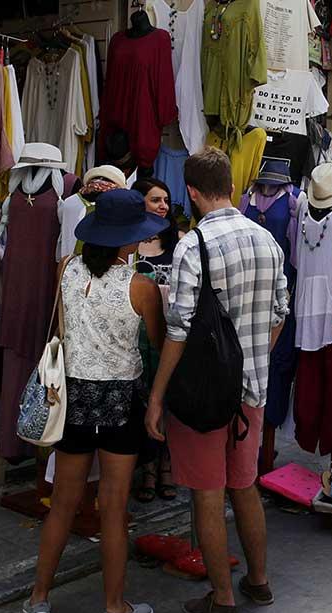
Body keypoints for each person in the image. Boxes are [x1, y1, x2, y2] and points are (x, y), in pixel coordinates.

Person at [145, 147, 289, 613]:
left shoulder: (193, 245)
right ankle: (260, 580)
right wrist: (255, 358)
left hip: (206, 394)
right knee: (244, 486)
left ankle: (223, 598)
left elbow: (179, 329)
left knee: (208, 493)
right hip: (251, 391)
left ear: (190, 191)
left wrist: (158, 395)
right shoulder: (267, 240)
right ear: (231, 185)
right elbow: (279, 314)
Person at [25, 189, 167, 613]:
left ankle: (38, 599)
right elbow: (158, 344)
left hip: (72, 399)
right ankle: (114, 607)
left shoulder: (65, 269)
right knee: (113, 507)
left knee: (62, 505)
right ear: (128, 239)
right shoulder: (142, 288)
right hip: (120, 401)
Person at [131, 177, 178, 502]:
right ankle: (147, 468)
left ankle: (167, 468)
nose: (163, 206)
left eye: (165, 200)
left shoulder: (179, 242)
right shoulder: (130, 245)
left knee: (169, 402)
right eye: (155, 200)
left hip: (171, 336)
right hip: (137, 338)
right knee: (144, 401)